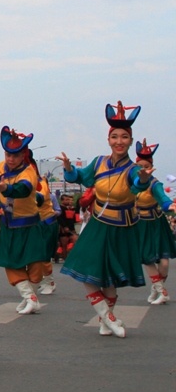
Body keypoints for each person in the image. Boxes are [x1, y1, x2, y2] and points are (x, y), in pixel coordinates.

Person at [59, 102, 153, 338]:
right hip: (98, 224)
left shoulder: (132, 168)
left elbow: (136, 186)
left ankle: (104, 320)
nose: (119, 141)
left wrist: (142, 179)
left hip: (122, 228)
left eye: (124, 137)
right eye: (114, 137)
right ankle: (108, 316)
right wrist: (69, 168)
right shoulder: (99, 162)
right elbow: (80, 177)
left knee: (109, 277)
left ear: (130, 141)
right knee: (85, 269)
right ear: (108, 139)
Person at [0, 126, 47, 316]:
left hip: (29, 224)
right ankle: (30, 298)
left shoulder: (29, 172)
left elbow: (24, 189)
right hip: (9, 224)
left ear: (23, 156)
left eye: (15, 155)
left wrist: (6, 189)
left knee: (35, 264)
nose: (10, 159)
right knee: (10, 262)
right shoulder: (1, 167)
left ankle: (30, 298)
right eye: (7, 154)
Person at [132, 140, 175, 305]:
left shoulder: (154, 183)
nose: (142, 169)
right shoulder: (132, 183)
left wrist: (168, 204)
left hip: (157, 223)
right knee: (147, 258)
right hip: (140, 223)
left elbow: (162, 197)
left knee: (164, 262)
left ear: (151, 166)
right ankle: (162, 291)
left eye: (145, 165)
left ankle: (157, 287)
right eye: (139, 166)